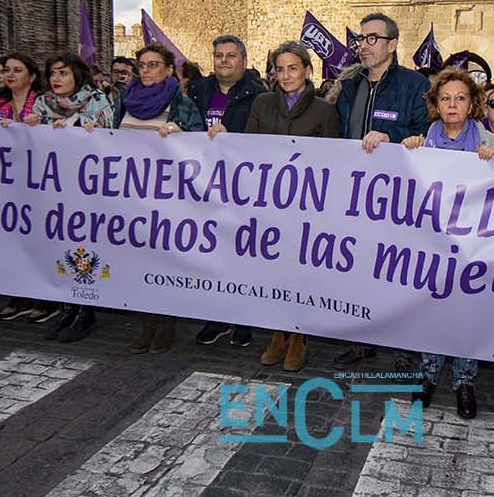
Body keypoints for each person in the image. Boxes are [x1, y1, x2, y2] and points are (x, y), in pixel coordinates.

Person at [400, 68, 494, 418]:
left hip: (473, 246)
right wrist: (408, 149)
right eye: (445, 98)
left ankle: (465, 382)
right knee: (433, 310)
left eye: (460, 98)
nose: (452, 104)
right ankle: (428, 376)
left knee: (466, 314)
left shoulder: (486, 143)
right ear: (436, 103)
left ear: (471, 103)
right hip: (434, 243)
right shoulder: (426, 139)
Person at [229, 41, 343, 371]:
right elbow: (248, 151)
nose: (286, 74)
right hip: (270, 204)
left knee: (302, 273)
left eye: (293, 67)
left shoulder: (324, 110)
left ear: (307, 70)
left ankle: (299, 336)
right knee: (274, 270)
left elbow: (332, 161)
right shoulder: (262, 104)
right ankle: (278, 332)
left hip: (307, 207)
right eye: (280, 69)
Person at [333, 12, 430, 370]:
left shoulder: (413, 85)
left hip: (396, 195)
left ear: (392, 44)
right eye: (361, 39)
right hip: (354, 193)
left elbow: (425, 131)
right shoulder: (350, 85)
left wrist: (392, 136)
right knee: (359, 270)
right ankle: (361, 340)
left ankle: (404, 349)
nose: (363, 45)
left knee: (396, 270)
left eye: (373, 38)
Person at [101, 43, 205, 354]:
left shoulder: (182, 103)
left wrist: (181, 132)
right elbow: (112, 140)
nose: (146, 70)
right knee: (137, 261)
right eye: (143, 65)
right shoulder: (126, 101)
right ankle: (147, 322)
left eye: (154, 65)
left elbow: (200, 144)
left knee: (164, 262)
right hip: (130, 198)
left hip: (167, 201)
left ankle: (167, 323)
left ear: (169, 70)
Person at [0, 52, 56, 324]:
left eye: (17, 70)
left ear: (32, 75)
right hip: (8, 182)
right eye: (6, 70)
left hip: (40, 181)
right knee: (13, 240)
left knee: (40, 240)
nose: (10, 75)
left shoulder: (43, 103)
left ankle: (45, 298)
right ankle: (19, 295)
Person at [192, 34, 268, 349]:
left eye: (231, 56)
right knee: (210, 254)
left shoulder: (259, 95)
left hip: (242, 189)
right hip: (203, 186)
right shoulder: (198, 90)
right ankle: (215, 317)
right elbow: (187, 125)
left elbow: (264, 141)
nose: (224, 60)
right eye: (219, 55)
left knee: (240, 256)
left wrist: (232, 136)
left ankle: (243, 319)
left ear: (244, 61)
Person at [32, 53, 115, 344]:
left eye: (63, 73)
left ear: (77, 76)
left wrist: (88, 131)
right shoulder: (43, 104)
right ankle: (67, 307)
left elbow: (110, 140)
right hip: (53, 186)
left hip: (87, 188)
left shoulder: (97, 101)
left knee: (84, 245)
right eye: (53, 73)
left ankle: (86, 309)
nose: (57, 79)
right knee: (59, 245)